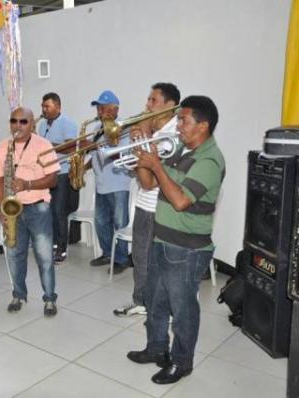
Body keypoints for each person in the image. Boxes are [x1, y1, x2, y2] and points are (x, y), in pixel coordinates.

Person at [127, 96, 225, 385]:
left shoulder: (209, 160)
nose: (178, 125)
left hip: (187, 249)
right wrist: (142, 153)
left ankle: (182, 362)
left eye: (184, 120)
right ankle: (157, 349)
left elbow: (181, 200)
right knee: (155, 301)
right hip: (162, 239)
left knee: (183, 311)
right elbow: (148, 183)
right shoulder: (182, 149)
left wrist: (156, 165)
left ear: (203, 126)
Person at [113, 83, 180, 317]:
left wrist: (141, 143)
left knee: (155, 263)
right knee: (140, 257)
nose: (147, 105)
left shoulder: (173, 136)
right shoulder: (156, 133)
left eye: (153, 100)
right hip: (144, 205)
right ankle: (141, 301)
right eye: (148, 100)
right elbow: (137, 172)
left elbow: (149, 182)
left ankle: (159, 308)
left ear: (170, 106)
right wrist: (138, 146)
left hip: (158, 208)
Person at [0, 107, 60, 317]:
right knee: (14, 255)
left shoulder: (43, 145)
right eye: (14, 121)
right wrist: (3, 208)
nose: (17, 126)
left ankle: (49, 298)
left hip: (38, 206)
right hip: (13, 210)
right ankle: (19, 294)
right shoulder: (2, 148)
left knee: (44, 256)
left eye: (23, 122)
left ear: (32, 125)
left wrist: (28, 184)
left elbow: (53, 179)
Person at [87, 90, 131, 274]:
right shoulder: (96, 129)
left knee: (119, 222)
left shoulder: (124, 128)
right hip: (101, 183)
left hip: (118, 182)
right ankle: (107, 253)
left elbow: (125, 154)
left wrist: (105, 147)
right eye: (98, 108)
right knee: (101, 221)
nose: (100, 111)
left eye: (104, 108)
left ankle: (121, 259)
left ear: (115, 109)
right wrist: (83, 167)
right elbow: (95, 154)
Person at [36, 92, 78, 263]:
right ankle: (52, 244)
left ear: (58, 107)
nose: (44, 109)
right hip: (46, 174)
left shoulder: (68, 123)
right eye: (43, 106)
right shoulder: (42, 125)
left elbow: (71, 149)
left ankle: (62, 248)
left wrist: (47, 146)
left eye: (47, 106)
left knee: (59, 212)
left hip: (61, 173)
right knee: (48, 212)